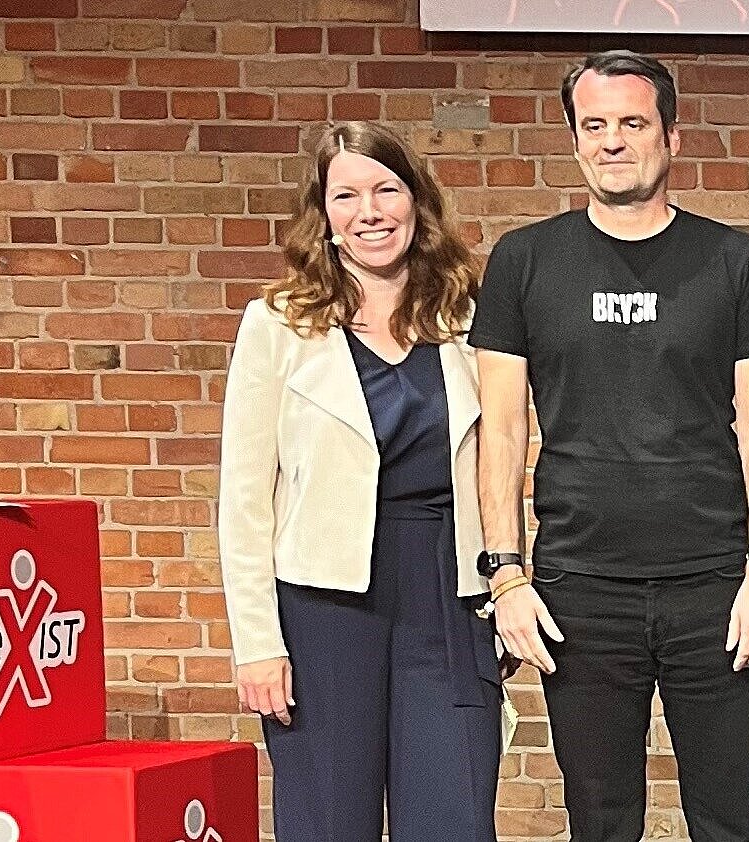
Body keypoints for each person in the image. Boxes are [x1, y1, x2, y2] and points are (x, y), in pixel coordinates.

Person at [470, 50, 749, 842]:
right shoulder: (523, 260)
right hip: (581, 591)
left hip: (714, 585)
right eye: (595, 125)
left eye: (633, 123)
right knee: (601, 821)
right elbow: (501, 430)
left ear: (671, 138)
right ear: (576, 140)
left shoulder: (732, 259)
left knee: (728, 819)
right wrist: (506, 576)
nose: (613, 141)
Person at [217, 120, 501, 842]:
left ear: (417, 202)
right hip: (323, 610)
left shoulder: (469, 319)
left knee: (455, 818)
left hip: (448, 596)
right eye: (346, 195)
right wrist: (257, 643)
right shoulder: (277, 325)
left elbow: (506, 459)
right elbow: (245, 500)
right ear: (324, 214)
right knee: (328, 823)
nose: (369, 211)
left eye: (386, 189)